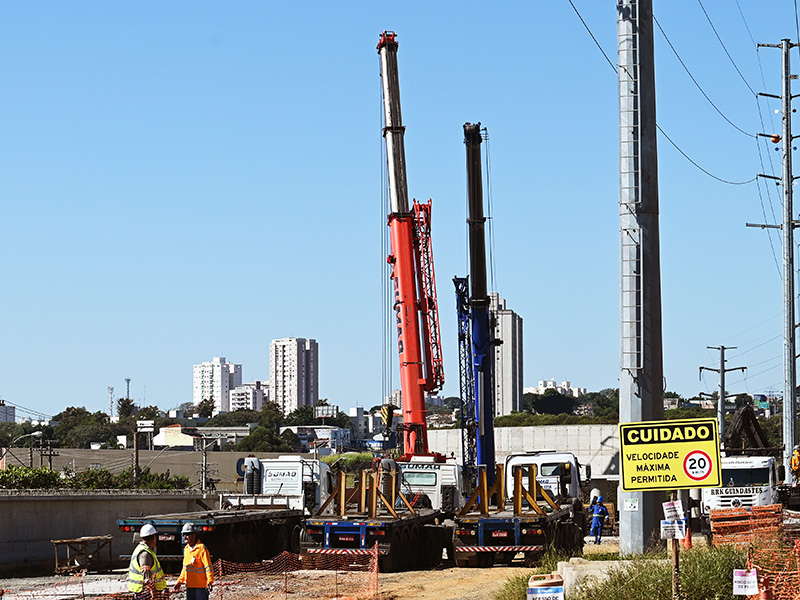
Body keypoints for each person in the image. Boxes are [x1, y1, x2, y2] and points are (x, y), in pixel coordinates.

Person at [173, 523, 214, 600]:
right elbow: (185, 568)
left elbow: (208, 567)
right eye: (183, 534)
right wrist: (179, 582)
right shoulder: (186, 549)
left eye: (187, 534)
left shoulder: (202, 549)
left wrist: (210, 581)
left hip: (201, 587)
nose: (185, 537)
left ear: (194, 535)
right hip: (190, 587)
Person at [128, 524, 167, 600]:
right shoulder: (145, 554)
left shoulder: (142, 549)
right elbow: (146, 575)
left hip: (143, 592)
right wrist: (151, 592)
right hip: (145, 593)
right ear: (154, 537)